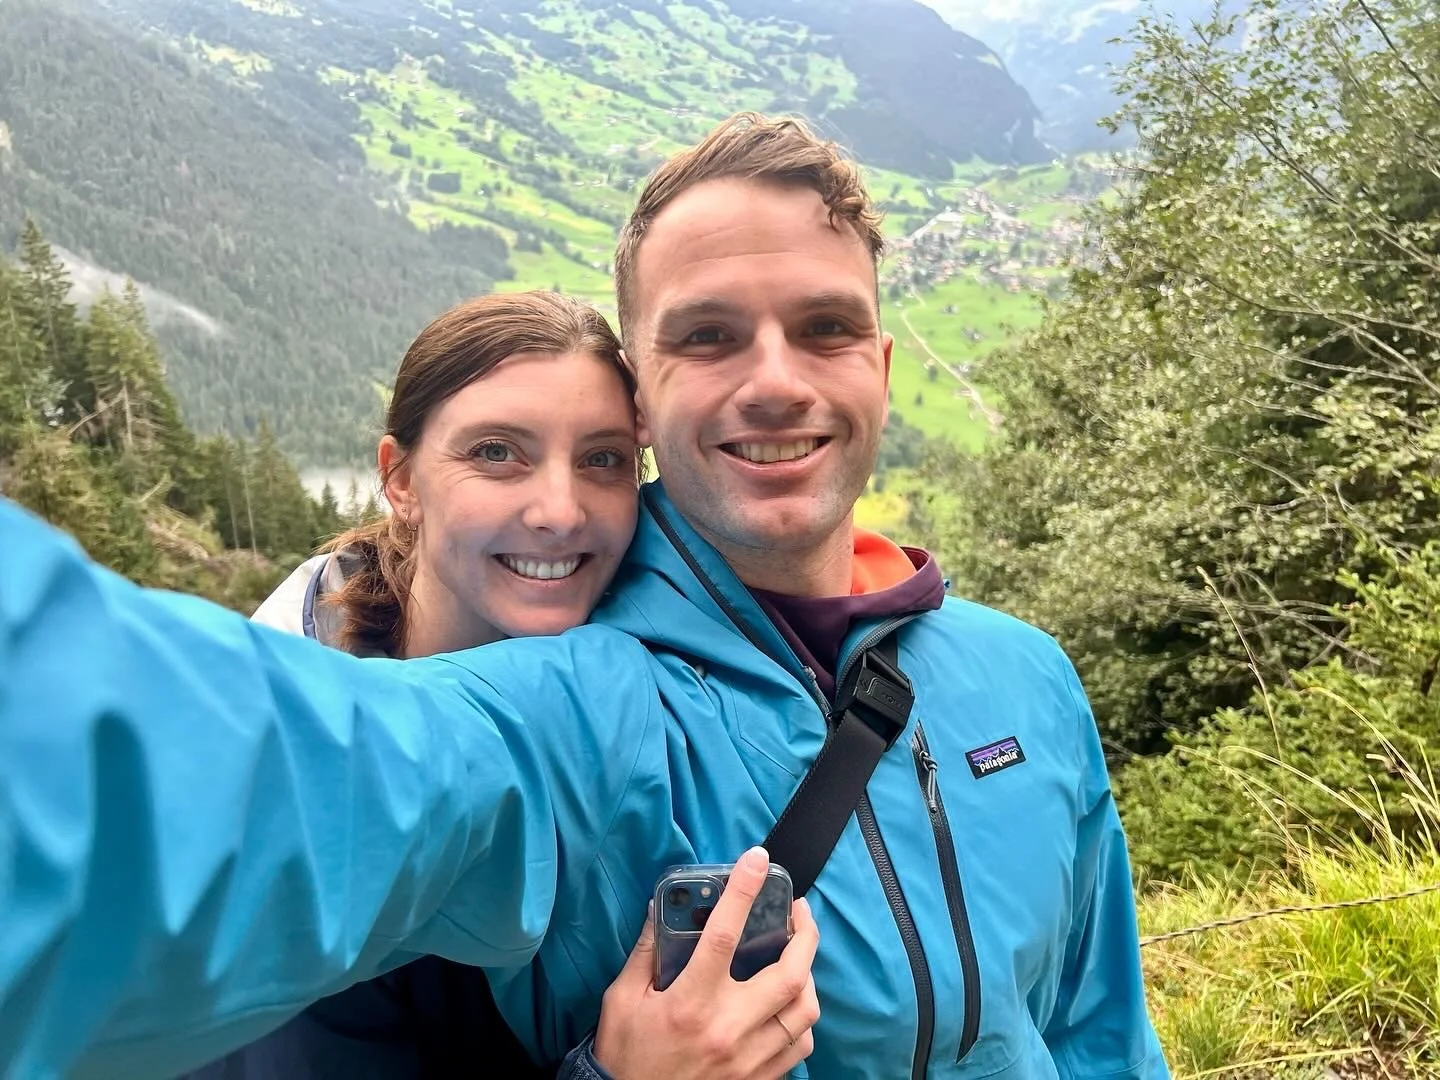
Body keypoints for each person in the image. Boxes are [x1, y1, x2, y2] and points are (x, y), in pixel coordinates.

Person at [0, 112, 1169, 1080]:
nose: (775, 381)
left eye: (826, 329)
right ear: (647, 408)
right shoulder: (565, 703)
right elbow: (240, 790)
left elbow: (1095, 1025)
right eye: (708, 337)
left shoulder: (1026, 676)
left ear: (880, 366)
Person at [186, 290, 820, 1080]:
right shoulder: (294, 794)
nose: (559, 511)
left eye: (603, 460)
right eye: (496, 452)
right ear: (402, 480)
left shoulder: (655, 699)